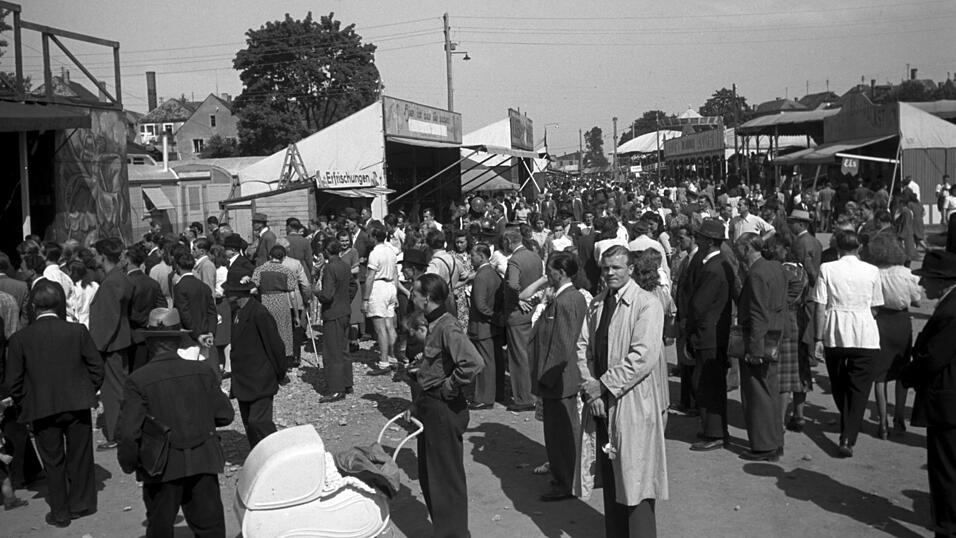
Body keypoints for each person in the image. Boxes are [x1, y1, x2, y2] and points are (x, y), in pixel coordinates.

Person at [116, 308, 235, 537]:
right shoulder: (201, 371)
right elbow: (225, 415)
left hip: (161, 466)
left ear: (150, 343)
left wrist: (130, 463)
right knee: (210, 528)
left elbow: (129, 433)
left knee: (160, 528)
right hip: (202, 460)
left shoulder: (138, 380)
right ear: (179, 339)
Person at [578, 245, 667, 537]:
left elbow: (643, 356)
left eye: (616, 267)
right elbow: (583, 349)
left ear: (630, 269)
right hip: (602, 402)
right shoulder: (598, 303)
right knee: (613, 478)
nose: (610, 273)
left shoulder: (646, 304)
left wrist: (603, 386)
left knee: (636, 480)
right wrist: (593, 390)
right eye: (605, 268)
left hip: (633, 404)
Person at [5, 280, 103, 527]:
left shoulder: (20, 339)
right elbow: (96, 367)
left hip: (41, 408)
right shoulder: (77, 331)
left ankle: (60, 511)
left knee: (53, 461)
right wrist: (87, 390)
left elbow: (13, 381)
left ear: (33, 307)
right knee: (80, 455)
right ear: (59, 304)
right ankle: (81, 503)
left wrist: (24, 402)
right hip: (77, 403)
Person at [408, 274, 483, 538]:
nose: (411, 295)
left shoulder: (447, 326)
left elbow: (472, 363)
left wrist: (449, 387)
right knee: (430, 477)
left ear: (426, 298)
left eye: (415, 292)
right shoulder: (433, 323)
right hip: (430, 406)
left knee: (445, 480)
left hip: (444, 409)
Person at [811, 230, 884, 458]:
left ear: (837, 247)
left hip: (836, 332)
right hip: (865, 333)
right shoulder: (872, 271)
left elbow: (820, 306)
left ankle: (848, 427)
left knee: (839, 383)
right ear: (859, 248)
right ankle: (849, 432)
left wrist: (818, 338)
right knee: (859, 389)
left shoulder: (828, 268)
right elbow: (875, 306)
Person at [901, 250, 956, 536]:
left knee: (945, 470)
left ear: (943, 281)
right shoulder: (949, 304)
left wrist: (907, 375)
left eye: (927, 280)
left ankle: (947, 527)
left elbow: (934, 357)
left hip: (947, 403)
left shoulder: (951, 311)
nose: (922, 286)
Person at [530, 252, 588, 502]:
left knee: (560, 433)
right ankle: (566, 476)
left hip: (558, 378)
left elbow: (562, 345)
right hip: (560, 377)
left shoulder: (565, 301)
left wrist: (546, 376)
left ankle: (565, 481)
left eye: (550, 270)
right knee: (563, 430)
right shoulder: (570, 297)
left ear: (561, 272)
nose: (547, 275)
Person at [734, 233, 788, 461]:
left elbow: (757, 314)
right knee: (771, 392)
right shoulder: (776, 267)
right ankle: (775, 441)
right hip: (776, 335)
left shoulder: (756, 274)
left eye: (739, 248)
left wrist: (754, 350)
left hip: (760, 340)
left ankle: (764, 445)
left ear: (747, 249)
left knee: (757, 395)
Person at [864, 233, 922, 438]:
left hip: (880, 321)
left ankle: (882, 421)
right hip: (901, 321)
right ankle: (898, 416)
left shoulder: (873, 272)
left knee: (880, 374)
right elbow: (918, 300)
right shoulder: (906, 273)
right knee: (902, 369)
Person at [686, 219, 736, 452]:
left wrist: (690, 328)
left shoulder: (713, 267)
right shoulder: (717, 264)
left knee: (707, 383)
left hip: (709, 333)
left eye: (700, 237)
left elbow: (699, 305)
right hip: (713, 331)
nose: (697, 240)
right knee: (707, 381)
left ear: (708, 241)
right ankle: (712, 428)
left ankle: (714, 431)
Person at [225, 281, 285, 449]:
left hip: (260, 379)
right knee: (249, 424)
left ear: (237, 294)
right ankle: (259, 456)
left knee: (259, 422)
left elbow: (275, 346)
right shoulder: (238, 312)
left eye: (228, 291)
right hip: (244, 380)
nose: (225, 294)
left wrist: (280, 372)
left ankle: (277, 454)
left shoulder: (259, 313)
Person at [88, 237, 134, 451]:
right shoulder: (119, 278)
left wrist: (95, 348)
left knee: (113, 392)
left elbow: (107, 320)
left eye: (96, 254)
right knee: (118, 388)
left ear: (103, 256)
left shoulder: (111, 282)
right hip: (118, 341)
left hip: (111, 345)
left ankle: (117, 433)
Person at [502, 228, 544, 412]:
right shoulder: (534, 256)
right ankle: (533, 393)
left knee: (518, 357)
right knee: (531, 354)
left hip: (517, 314)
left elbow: (512, 284)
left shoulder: (515, 260)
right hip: (534, 310)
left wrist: (518, 298)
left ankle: (523, 398)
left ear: (508, 242)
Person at [468, 243, 505, 410]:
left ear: (481, 256)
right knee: (495, 361)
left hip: (483, 326)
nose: (470, 258)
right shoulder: (494, 274)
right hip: (493, 326)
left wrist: (493, 317)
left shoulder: (482, 276)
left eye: (472, 256)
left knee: (485, 363)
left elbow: (480, 304)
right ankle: (496, 393)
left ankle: (484, 397)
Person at [316, 240, 353, 402]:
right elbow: (353, 286)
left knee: (332, 352)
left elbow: (327, 295)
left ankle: (337, 389)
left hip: (333, 312)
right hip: (344, 310)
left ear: (326, 251)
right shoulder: (345, 265)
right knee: (343, 349)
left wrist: (317, 293)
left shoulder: (330, 267)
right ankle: (346, 382)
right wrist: (345, 299)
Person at [252, 246, 297, 365]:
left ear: (270, 256)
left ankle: (267, 358)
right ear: (283, 257)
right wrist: (296, 315)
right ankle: (284, 359)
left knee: (267, 331)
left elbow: (253, 289)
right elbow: (292, 295)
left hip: (265, 301)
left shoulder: (259, 270)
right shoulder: (287, 271)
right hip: (282, 302)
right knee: (283, 331)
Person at [363, 227, 400, 373]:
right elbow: (396, 274)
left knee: (380, 328)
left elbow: (370, 276)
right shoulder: (391, 251)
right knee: (390, 325)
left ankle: (384, 362)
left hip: (378, 287)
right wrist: (395, 292)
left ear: (373, 237)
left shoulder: (374, 253)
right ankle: (392, 357)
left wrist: (365, 298)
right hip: (390, 285)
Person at [126, 244, 165, 372]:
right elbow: (162, 306)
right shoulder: (152, 283)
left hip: (132, 334)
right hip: (150, 335)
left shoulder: (126, 283)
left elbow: (127, 309)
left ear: (128, 260)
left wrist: (145, 321)